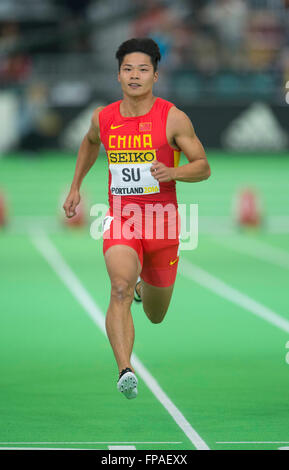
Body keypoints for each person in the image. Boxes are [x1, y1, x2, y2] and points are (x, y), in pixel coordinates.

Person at [63, 38, 210, 400]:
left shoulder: (173, 118)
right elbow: (90, 141)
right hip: (121, 221)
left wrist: (173, 173)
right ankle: (125, 369)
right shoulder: (105, 117)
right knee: (118, 288)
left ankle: (146, 288)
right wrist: (75, 186)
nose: (135, 75)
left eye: (143, 69)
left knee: (156, 315)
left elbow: (203, 167)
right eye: (128, 68)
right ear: (117, 75)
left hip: (163, 226)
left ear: (156, 76)